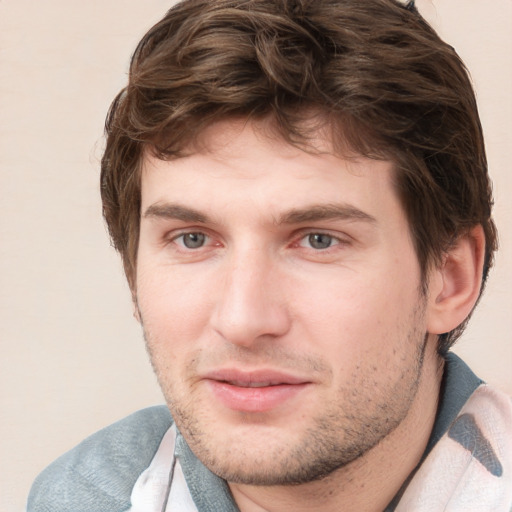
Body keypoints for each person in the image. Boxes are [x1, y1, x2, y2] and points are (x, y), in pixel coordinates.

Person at [27, 0, 512, 510]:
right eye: (192, 239)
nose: (243, 320)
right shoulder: (82, 495)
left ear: (450, 277)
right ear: (133, 275)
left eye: (318, 240)